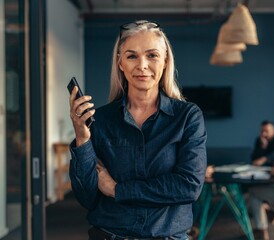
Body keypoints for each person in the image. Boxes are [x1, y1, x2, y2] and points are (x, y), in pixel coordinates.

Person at [68, 20, 207, 240]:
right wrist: (82, 138)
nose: (142, 65)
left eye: (152, 55)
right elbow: (87, 197)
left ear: (165, 61)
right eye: (132, 56)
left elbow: (188, 186)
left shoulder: (187, 117)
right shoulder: (100, 120)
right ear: (120, 63)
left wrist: (117, 190)